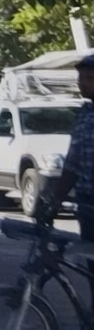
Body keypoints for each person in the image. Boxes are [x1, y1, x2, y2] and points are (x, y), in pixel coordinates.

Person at [37, 52, 94, 242]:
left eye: (90, 78)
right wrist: (55, 201)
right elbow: (72, 164)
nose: (82, 83)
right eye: (81, 78)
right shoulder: (84, 115)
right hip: (87, 203)